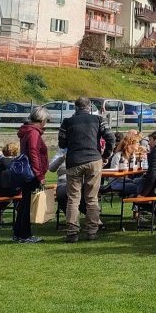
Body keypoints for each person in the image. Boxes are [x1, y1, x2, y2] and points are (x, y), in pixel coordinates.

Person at [58, 97, 115, 243]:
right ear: (89, 107)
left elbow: (62, 143)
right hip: (93, 160)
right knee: (91, 198)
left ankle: (72, 232)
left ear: (75, 107)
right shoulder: (98, 120)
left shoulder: (67, 122)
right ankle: (92, 231)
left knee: (73, 198)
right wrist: (106, 155)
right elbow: (110, 138)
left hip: (74, 161)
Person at [15, 107, 50, 243]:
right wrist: (39, 175)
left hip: (26, 171)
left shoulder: (27, 132)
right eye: (46, 121)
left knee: (24, 204)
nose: (45, 124)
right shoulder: (34, 133)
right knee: (27, 205)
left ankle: (19, 233)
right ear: (41, 120)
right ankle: (25, 235)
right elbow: (34, 154)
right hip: (32, 173)